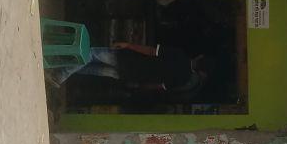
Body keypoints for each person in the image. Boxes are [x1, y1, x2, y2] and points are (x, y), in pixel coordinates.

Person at [55, 41, 213, 97]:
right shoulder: (183, 80)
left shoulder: (179, 54)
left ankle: (59, 76)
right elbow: (158, 86)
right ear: (201, 72)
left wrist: (128, 45)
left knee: (90, 54)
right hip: (130, 75)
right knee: (89, 69)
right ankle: (57, 64)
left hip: (128, 60)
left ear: (199, 57)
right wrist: (138, 85)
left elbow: (151, 51)